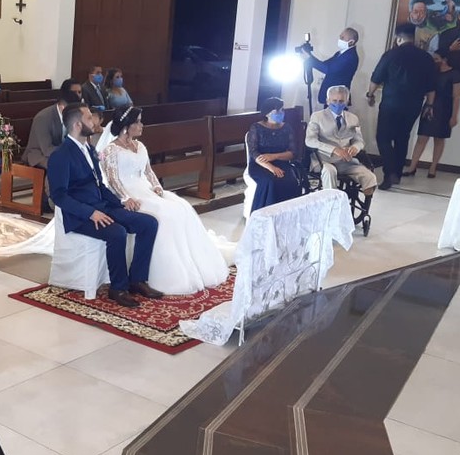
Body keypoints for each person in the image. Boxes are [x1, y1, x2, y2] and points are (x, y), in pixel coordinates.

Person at [97, 105, 229, 295]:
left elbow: (148, 171)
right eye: (138, 122)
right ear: (127, 125)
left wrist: (157, 186)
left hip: (146, 188)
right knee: (165, 214)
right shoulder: (111, 150)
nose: (142, 125)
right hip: (129, 192)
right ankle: (152, 275)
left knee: (182, 206)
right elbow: (112, 179)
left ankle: (189, 263)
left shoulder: (139, 145)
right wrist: (126, 197)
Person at [47, 104, 162, 308]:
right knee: (117, 232)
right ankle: (118, 288)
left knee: (149, 223)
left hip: (103, 207)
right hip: (81, 216)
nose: (95, 122)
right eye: (90, 118)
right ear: (77, 124)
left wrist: (121, 202)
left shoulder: (90, 149)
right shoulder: (61, 155)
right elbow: (59, 197)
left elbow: (100, 184)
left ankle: (137, 279)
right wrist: (91, 213)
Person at [367, 23, 437, 190]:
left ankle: (389, 172)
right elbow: (431, 87)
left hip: (391, 103)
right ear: (414, 37)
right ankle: (397, 173)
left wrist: (370, 95)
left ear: (398, 38)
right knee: (402, 137)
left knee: (383, 138)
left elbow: (376, 78)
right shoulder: (426, 58)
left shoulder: (391, 55)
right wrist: (429, 105)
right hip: (413, 105)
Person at [305, 85, 377, 194]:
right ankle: (332, 204)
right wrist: (333, 149)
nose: (337, 104)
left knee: (369, 177)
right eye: (334, 100)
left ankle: (364, 208)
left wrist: (355, 148)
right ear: (328, 101)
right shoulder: (317, 117)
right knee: (329, 172)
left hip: (346, 161)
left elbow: (359, 140)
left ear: (347, 101)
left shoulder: (353, 118)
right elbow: (310, 141)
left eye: (341, 101)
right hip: (323, 160)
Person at [404, 51, 460, 178]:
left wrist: (454, 116)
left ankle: (433, 168)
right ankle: (412, 167)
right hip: (429, 107)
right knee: (422, 138)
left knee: (439, 139)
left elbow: (456, 97)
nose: (434, 61)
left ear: (445, 59)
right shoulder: (432, 72)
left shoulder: (454, 74)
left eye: (436, 58)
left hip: (445, 109)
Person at [246, 97, 303, 212]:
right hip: (261, 165)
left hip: (281, 161)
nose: (281, 113)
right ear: (267, 114)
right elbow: (254, 152)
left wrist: (274, 156)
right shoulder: (256, 128)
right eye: (277, 111)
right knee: (270, 181)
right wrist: (271, 167)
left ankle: (287, 214)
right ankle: (266, 214)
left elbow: (293, 152)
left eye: (282, 110)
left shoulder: (286, 128)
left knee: (290, 181)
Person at [22, 79, 83, 169]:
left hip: (61, 152)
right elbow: (47, 149)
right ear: (62, 107)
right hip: (39, 154)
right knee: (62, 166)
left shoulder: (72, 115)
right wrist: (70, 152)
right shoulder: (43, 118)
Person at [302, 28, 360, 106]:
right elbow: (325, 64)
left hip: (338, 98)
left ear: (351, 42)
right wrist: (310, 56)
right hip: (331, 95)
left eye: (342, 38)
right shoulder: (340, 53)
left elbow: (328, 69)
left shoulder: (350, 56)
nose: (340, 40)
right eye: (340, 37)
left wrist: (309, 58)